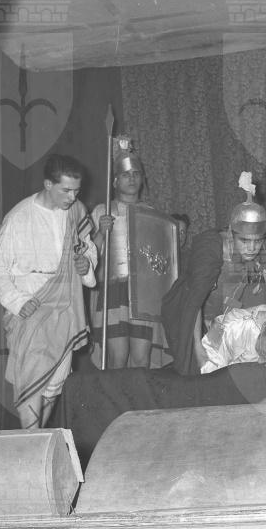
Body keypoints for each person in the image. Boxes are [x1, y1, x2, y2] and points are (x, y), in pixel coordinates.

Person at [0, 154, 97, 429]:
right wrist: (17, 301)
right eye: (66, 190)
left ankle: (35, 441)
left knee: (53, 384)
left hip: (66, 308)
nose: (72, 197)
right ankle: (32, 441)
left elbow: (88, 247)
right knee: (32, 378)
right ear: (48, 184)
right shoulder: (20, 217)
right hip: (33, 306)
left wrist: (86, 265)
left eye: (77, 191)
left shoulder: (76, 211)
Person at [162, 172, 266, 375]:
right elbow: (194, 299)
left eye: (257, 241)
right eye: (244, 241)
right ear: (231, 232)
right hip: (190, 312)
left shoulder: (263, 244)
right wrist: (198, 349)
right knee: (198, 369)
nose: (252, 248)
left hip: (228, 315)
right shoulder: (211, 245)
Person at [89, 137, 164, 369]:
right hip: (114, 290)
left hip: (142, 292)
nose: (131, 179)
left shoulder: (151, 213)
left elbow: (158, 261)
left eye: (136, 174)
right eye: (125, 174)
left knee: (142, 359)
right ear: (115, 180)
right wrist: (101, 232)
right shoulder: (103, 210)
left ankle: (139, 395)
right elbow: (90, 255)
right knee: (117, 358)